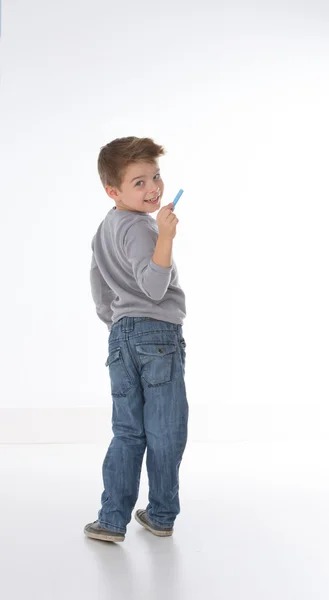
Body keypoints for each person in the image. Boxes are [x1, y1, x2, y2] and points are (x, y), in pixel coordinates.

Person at [84, 136, 188, 543]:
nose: (154, 188)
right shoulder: (143, 227)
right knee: (165, 430)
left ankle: (112, 520)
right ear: (114, 191)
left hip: (121, 336)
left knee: (127, 431)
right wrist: (165, 236)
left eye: (156, 177)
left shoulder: (105, 228)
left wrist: (117, 326)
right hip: (157, 333)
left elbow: (99, 288)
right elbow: (155, 286)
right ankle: (161, 514)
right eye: (140, 182)